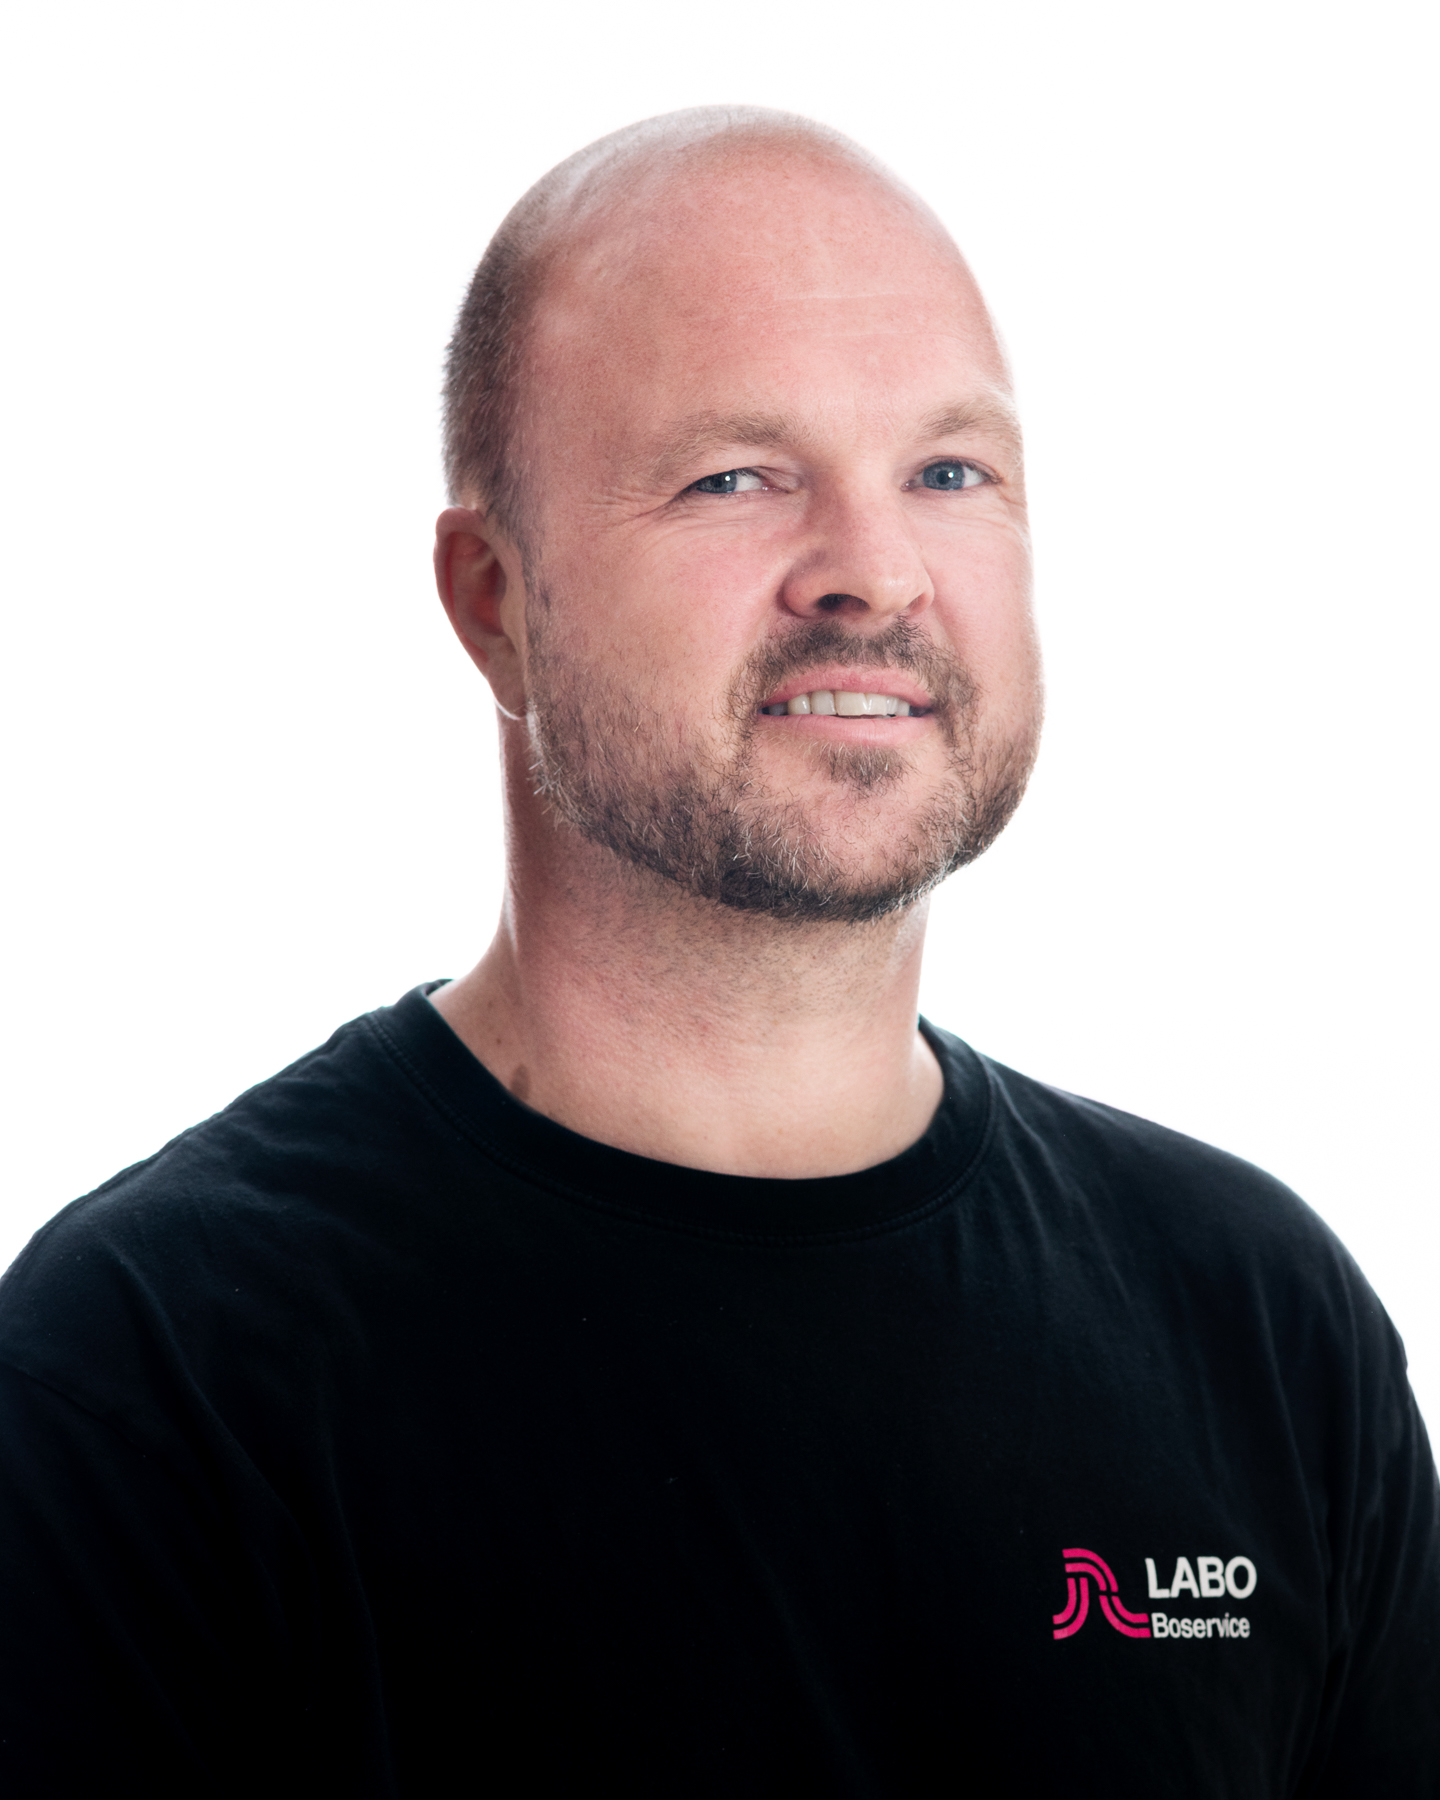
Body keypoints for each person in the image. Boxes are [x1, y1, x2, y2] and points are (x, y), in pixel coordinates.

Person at [0, 107, 1435, 1798]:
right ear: (493, 599)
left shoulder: (1259, 1323)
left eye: (949, 473)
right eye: (736, 477)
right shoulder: (148, 1382)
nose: (874, 574)